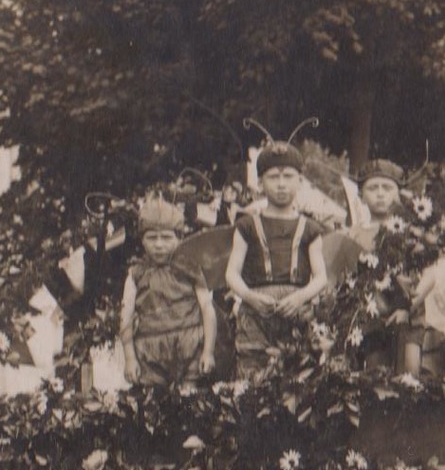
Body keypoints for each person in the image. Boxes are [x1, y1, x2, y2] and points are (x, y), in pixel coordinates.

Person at [224, 141, 330, 378]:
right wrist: (250, 297)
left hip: (297, 311)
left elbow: (321, 276)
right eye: (273, 177)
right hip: (256, 311)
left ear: (300, 181)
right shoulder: (246, 226)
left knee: (300, 370)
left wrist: (300, 297)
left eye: (288, 176)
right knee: (254, 372)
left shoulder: (311, 228)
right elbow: (231, 273)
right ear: (260, 183)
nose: (281, 184)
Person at [120, 197, 216, 387]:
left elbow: (207, 307)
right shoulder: (136, 273)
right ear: (142, 240)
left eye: (166, 237)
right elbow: (126, 316)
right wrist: (130, 358)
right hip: (150, 352)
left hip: (190, 347)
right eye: (152, 238)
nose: (159, 245)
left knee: (192, 404)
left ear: (179, 238)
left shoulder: (190, 268)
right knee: (153, 406)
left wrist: (208, 351)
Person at [345, 158, 408, 252]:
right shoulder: (351, 235)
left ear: (398, 195)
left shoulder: (410, 233)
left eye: (387, 188)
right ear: (361, 196)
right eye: (372, 188)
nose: (380, 194)